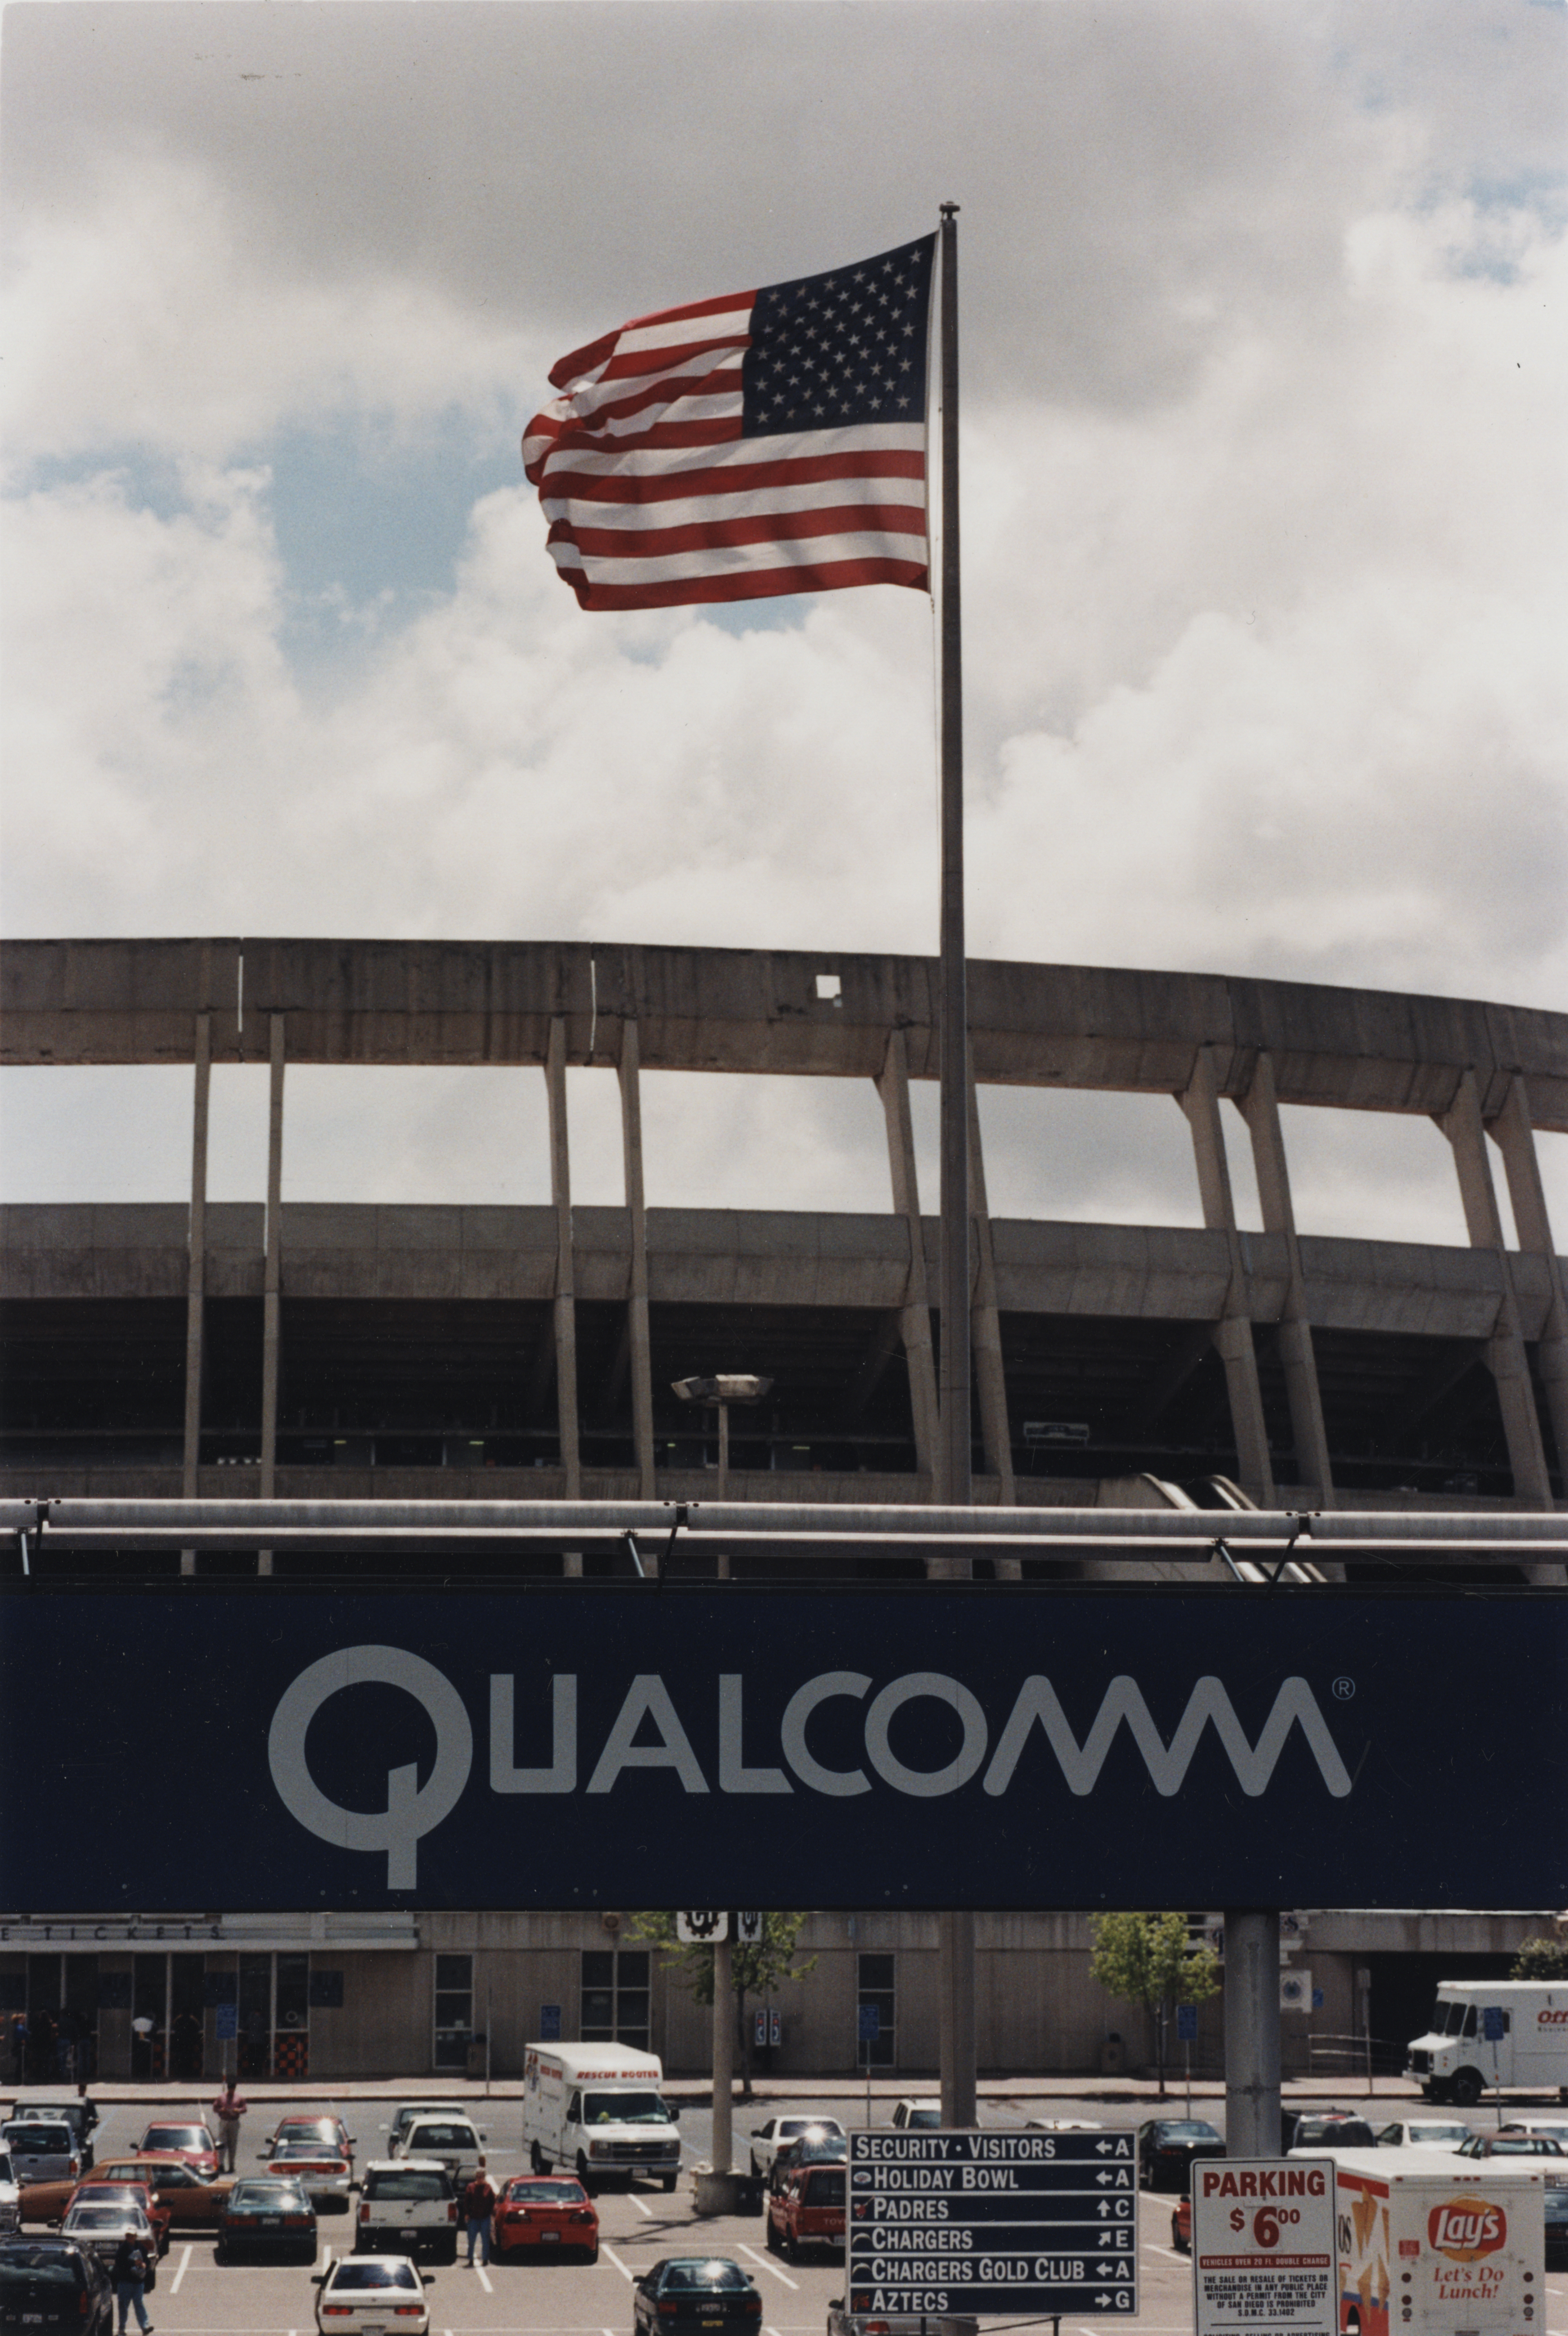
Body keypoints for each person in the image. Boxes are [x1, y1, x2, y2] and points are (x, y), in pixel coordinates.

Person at [111, 2227, 154, 2334]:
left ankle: (145, 2327)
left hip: (138, 2282)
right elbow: (119, 2264)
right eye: (128, 2236)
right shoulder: (122, 2249)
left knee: (139, 2304)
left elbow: (147, 2261)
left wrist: (145, 2264)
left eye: (132, 2236)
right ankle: (122, 2330)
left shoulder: (141, 2248)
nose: (130, 2238)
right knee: (123, 2307)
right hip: (125, 2282)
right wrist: (132, 2264)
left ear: (136, 2237)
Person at [460, 2156, 497, 2266]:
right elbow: (466, 2202)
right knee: (471, 2241)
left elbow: (492, 2201)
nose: (479, 2179)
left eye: (481, 2177)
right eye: (477, 2177)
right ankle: (471, 2260)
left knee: (485, 2240)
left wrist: (491, 2213)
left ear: (484, 2177)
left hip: (485, 2218)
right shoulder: (470, 2187)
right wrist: (466, 2214)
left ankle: (485, 2259)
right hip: (473, 2219)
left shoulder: (488, 2188)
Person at [210, 2077, 248, 2173]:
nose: (231, 2091)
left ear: (235, 2088)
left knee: (233, 2144)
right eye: (230, 2089)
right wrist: (221, 2110)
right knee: (222, 2144)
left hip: (234, 2122)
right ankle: (221, 2164)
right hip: (224, 2121)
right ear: (228, 2088)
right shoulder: (221, 2097)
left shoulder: (239, 2098)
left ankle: (232, 2165)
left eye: (233, 2089)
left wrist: (238, 2110)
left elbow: (244, 2109)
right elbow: (215, 2108)